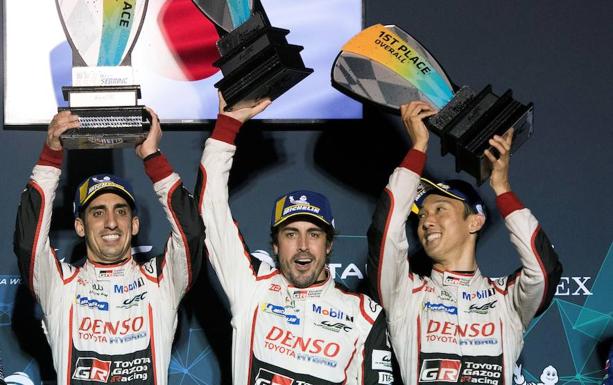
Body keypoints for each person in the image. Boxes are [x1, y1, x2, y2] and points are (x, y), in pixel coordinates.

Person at [196, 96, 395, 385]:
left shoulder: (364, 314)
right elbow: (210, 210)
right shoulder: (252, 286)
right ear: (275, 246)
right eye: (291, 234)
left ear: (328, 244)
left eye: (313, 234)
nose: (303, 245)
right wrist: (227, 126)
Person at [367, 101, 563, 385]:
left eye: (440, 210)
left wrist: (502, 188)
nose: (426, 221)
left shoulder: (505, 301)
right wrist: (419, 146)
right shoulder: (406, 296)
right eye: (422, 215)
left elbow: (544, 269)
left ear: (475, 221)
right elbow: (386, 228)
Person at [13, 109, 205, 385]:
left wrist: (152, 157)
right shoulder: (61, 286)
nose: (112, 222)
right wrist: (51, 155)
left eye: (121, 211)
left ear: (135, 224)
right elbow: (28, 244)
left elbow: (192, 234)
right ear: (80, 227)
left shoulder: (160, 282)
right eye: (98, 213)